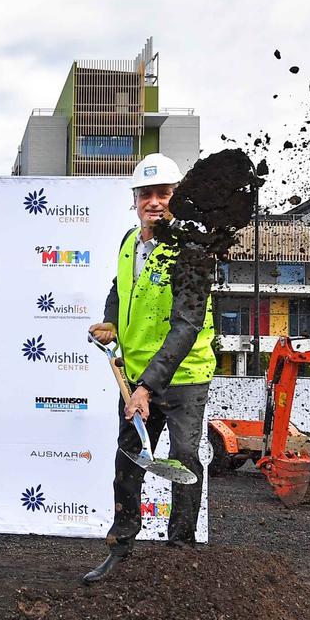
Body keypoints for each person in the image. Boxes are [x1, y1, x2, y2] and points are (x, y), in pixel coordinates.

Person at [82, 154, 216, 584]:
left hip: (184, 378)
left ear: (177, 199)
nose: (154, 202)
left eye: (164, 194)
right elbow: (120, 289)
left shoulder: (192, 252)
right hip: (137, 376)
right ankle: (120, 550)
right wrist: (109, 320)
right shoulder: (129, 242)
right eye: (147, 194)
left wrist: (147, 388)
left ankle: (180, 556)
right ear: (135, 199)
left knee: (184, 459)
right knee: (128, 462)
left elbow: (186, 326)